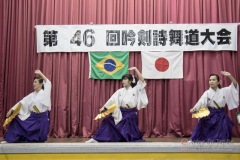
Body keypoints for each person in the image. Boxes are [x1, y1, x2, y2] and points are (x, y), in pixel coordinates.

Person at [86, 67, 148, 142]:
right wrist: (104, 107)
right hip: (120, 112)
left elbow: (142, 80)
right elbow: (112, 100)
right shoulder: (120, 91)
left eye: (125, 79)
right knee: (108, 120)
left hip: (130, 113)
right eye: (122, 79)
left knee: (126, 123)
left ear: (130, 81)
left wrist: (135, 69)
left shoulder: (136, 89)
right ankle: (96, 138)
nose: (123, 81)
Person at [2, 70, 51, 143]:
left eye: (35, 82)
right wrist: (12, 110)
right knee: (17, 120)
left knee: (40, 139)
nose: (33, 83)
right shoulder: (32, 95)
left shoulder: (44, 93)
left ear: (41, 84)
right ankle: (10, 139)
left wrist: (40, 73)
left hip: (41, 120)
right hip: (33, 117)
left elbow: (49, 83)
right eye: (33, 82)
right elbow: (22, 102)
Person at [190, 71, 239, 142]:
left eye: (213, 80)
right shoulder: (207, 93)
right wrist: (195, 108)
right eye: (210, 80)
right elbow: (201, 101)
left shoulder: (224, 91)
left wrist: (229, 76)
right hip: (210, 114)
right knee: (203, 128)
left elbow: (235, 86)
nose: (211, 81)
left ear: (219, 82)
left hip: (221, 114)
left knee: (222, 134)